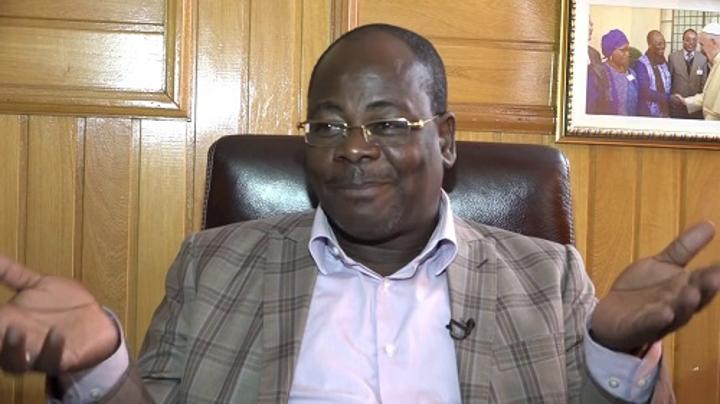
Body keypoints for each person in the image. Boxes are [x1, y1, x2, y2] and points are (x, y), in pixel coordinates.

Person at [0, 23, 718, 403]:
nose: (353, 147)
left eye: (388, 123)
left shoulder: (548, 279)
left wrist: (614, 357)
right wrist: (101, 368)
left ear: (445, 140)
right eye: (328, 125)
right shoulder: (212, 267)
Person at [672, 23, 720, 120]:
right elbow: (707, 96)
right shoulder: (715, 62)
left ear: (713, 42)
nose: (701, 50)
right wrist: (685, 101)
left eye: (702, 45)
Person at [587, 29, 640, 116]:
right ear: (610, 52)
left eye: (628, 50)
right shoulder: (598, 73)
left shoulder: (631, 73)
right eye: (623, 50)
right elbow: (592, 107)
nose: (627, 54)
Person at [667, 29, 708, 119]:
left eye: (694, 40)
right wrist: (670, 99)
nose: (691, 43)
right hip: (677, 105)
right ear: (683, 40)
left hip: (695, 107)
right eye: (688, 40)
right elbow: (668, 82)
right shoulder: (673, 57)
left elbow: (704, 84)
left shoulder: (703, 59)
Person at [635, 31, 671, 117]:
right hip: (648, 113)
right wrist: (669, 98)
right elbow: (645, 91)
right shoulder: (642, 63)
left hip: (665, 112)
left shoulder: (663, 62)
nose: (662, 46)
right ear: (650, 45)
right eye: (658, 44)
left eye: (663, 43)